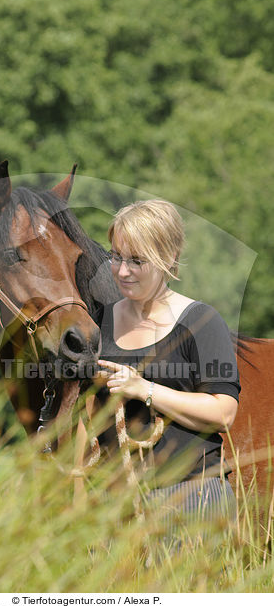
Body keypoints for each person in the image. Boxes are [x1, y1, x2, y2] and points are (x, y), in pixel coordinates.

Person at [93, 199, 240, 534]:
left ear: (169, 258)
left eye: (136, 261)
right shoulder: (99, 323)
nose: (122, 270)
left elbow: (224, 414)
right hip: (115, 504)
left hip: (193, 498)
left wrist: (143, 389)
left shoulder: (201, 322)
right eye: (116, 257)